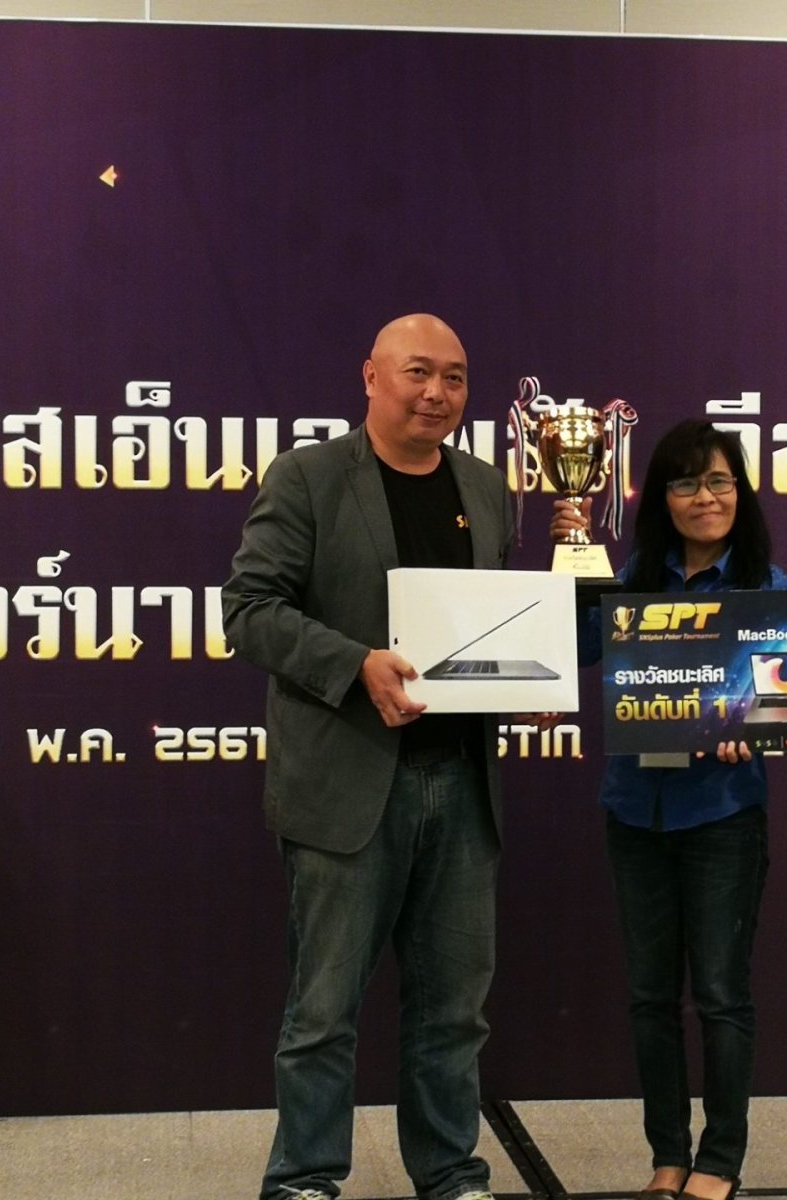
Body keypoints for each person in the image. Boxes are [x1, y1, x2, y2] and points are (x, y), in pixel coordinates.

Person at [223, 314, 510, 1200]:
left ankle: (450, 1172)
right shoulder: (308, 477)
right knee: (323, 1011)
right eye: (418, 372)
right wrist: (355, 665)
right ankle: (305, 1176)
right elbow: (249, 610)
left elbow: (491, 624)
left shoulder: (487, 487)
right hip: (346, 785)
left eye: (455, 377)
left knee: (453, 1011)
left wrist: (524, 676)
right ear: (371, 377)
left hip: (461, 783)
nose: (438, 393)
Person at [553, 420, 787, 1200]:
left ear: (740, 491)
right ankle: (667, 1155)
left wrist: (751, 729)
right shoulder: (634, 577)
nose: (704, 497)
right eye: (685, 483)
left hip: (722, 817)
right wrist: (570, 562)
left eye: (718, 481)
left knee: (721, 996)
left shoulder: (770, 590)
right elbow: (573, 648)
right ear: (662, 499)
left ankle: (720, 1160)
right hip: (634, 813)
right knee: (649, 998)